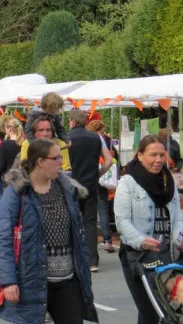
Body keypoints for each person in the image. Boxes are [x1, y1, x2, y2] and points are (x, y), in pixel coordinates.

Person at [0, 138, 97, 324]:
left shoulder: (66, 189)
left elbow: (78, 233)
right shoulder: (18, 192)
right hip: (31, 281)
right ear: (40, 162)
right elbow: (2, 238)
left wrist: (84, 270)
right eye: (56, 158)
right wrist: (9, 281)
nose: (61, 162)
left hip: (68, 281)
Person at [115, 135, 183, 324]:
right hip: (138, 256)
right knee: (149, 311)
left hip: (167, 255)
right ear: (140, 155)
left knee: (168, 310)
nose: (158, 160)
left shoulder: (168, 182)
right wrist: (140, 240)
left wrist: (181, 238)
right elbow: (122, 221)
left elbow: (177, 219)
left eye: (162, 155)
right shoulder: (128, 182)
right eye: (153, 155)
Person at [68, 109, 113, 271]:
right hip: (91, 183)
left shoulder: (66, 138)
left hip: (71, 184)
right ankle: (92, 260)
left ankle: (72, 258)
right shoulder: (96, 137)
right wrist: (98, 173)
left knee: (70, 221)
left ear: (72, 122)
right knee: (90, 222)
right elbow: (109, 160)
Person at [0, 118, 24, 187]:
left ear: (10, 129)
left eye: (5, 129)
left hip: (9, 179)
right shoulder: (24, 143)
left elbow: (1, 164)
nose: (5, 131)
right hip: (22, 177)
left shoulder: (5, 144)